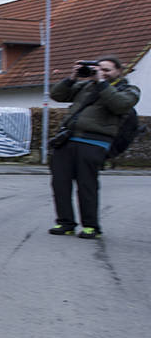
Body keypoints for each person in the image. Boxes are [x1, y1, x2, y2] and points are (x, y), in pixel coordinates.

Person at [48, 56, 140, 239]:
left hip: (94, 143)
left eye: (107, 70)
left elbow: (121, 105)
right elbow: (57, 95)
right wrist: (72, 76)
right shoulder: (85, 86)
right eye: (100, 69)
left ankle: (91, 227)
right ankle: (65, 224)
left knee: (87, 185)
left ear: (118, 72)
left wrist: (101, 83)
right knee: (60, 184)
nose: (102, 73)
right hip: (67, 140)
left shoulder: (128, 90)